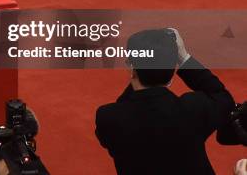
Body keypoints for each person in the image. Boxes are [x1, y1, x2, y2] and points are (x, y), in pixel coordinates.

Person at [95, 28, 236, 175]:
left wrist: (138, 71)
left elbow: (121, 110)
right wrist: (184, 58)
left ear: (131, 66)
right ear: (172, 69)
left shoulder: (108, 117)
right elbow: (222, 97)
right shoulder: (193, 109)